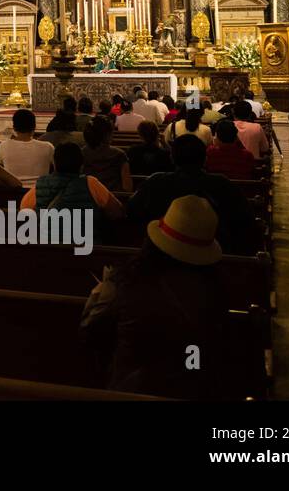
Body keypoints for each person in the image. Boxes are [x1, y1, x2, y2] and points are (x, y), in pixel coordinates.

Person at [80, 195, 230, 399]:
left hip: (129, 391)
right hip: (195, 390)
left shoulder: (127, 282)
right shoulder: (215, 290)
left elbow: (91, 331)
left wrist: (101, 294)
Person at [125, 135, 255, 254]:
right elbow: (244, 219)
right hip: (212, 251)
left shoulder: (155, 181)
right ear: (205, 159)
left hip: (161, 253)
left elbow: (131, 210)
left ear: (172, 158)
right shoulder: (223, 184)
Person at [20, 142, 124, 220]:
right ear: (81, 166)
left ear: (55, 164)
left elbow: (24, 211)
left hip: (48, 243)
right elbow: (117, 212)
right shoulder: (90, 183)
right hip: (85, 245)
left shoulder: (41, 184)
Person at [0, 109, 55, 186]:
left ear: (14, 127)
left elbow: (0, 163)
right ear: (34, 127)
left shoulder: (4, 146)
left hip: (12, 194)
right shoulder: (48, 147)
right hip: (39, 194)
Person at [81, 115, 132, 191]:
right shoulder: (119, 154)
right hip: (114, 197)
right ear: (107, 135)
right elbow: (127, 187)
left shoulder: (82, 153)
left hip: (87, 198)